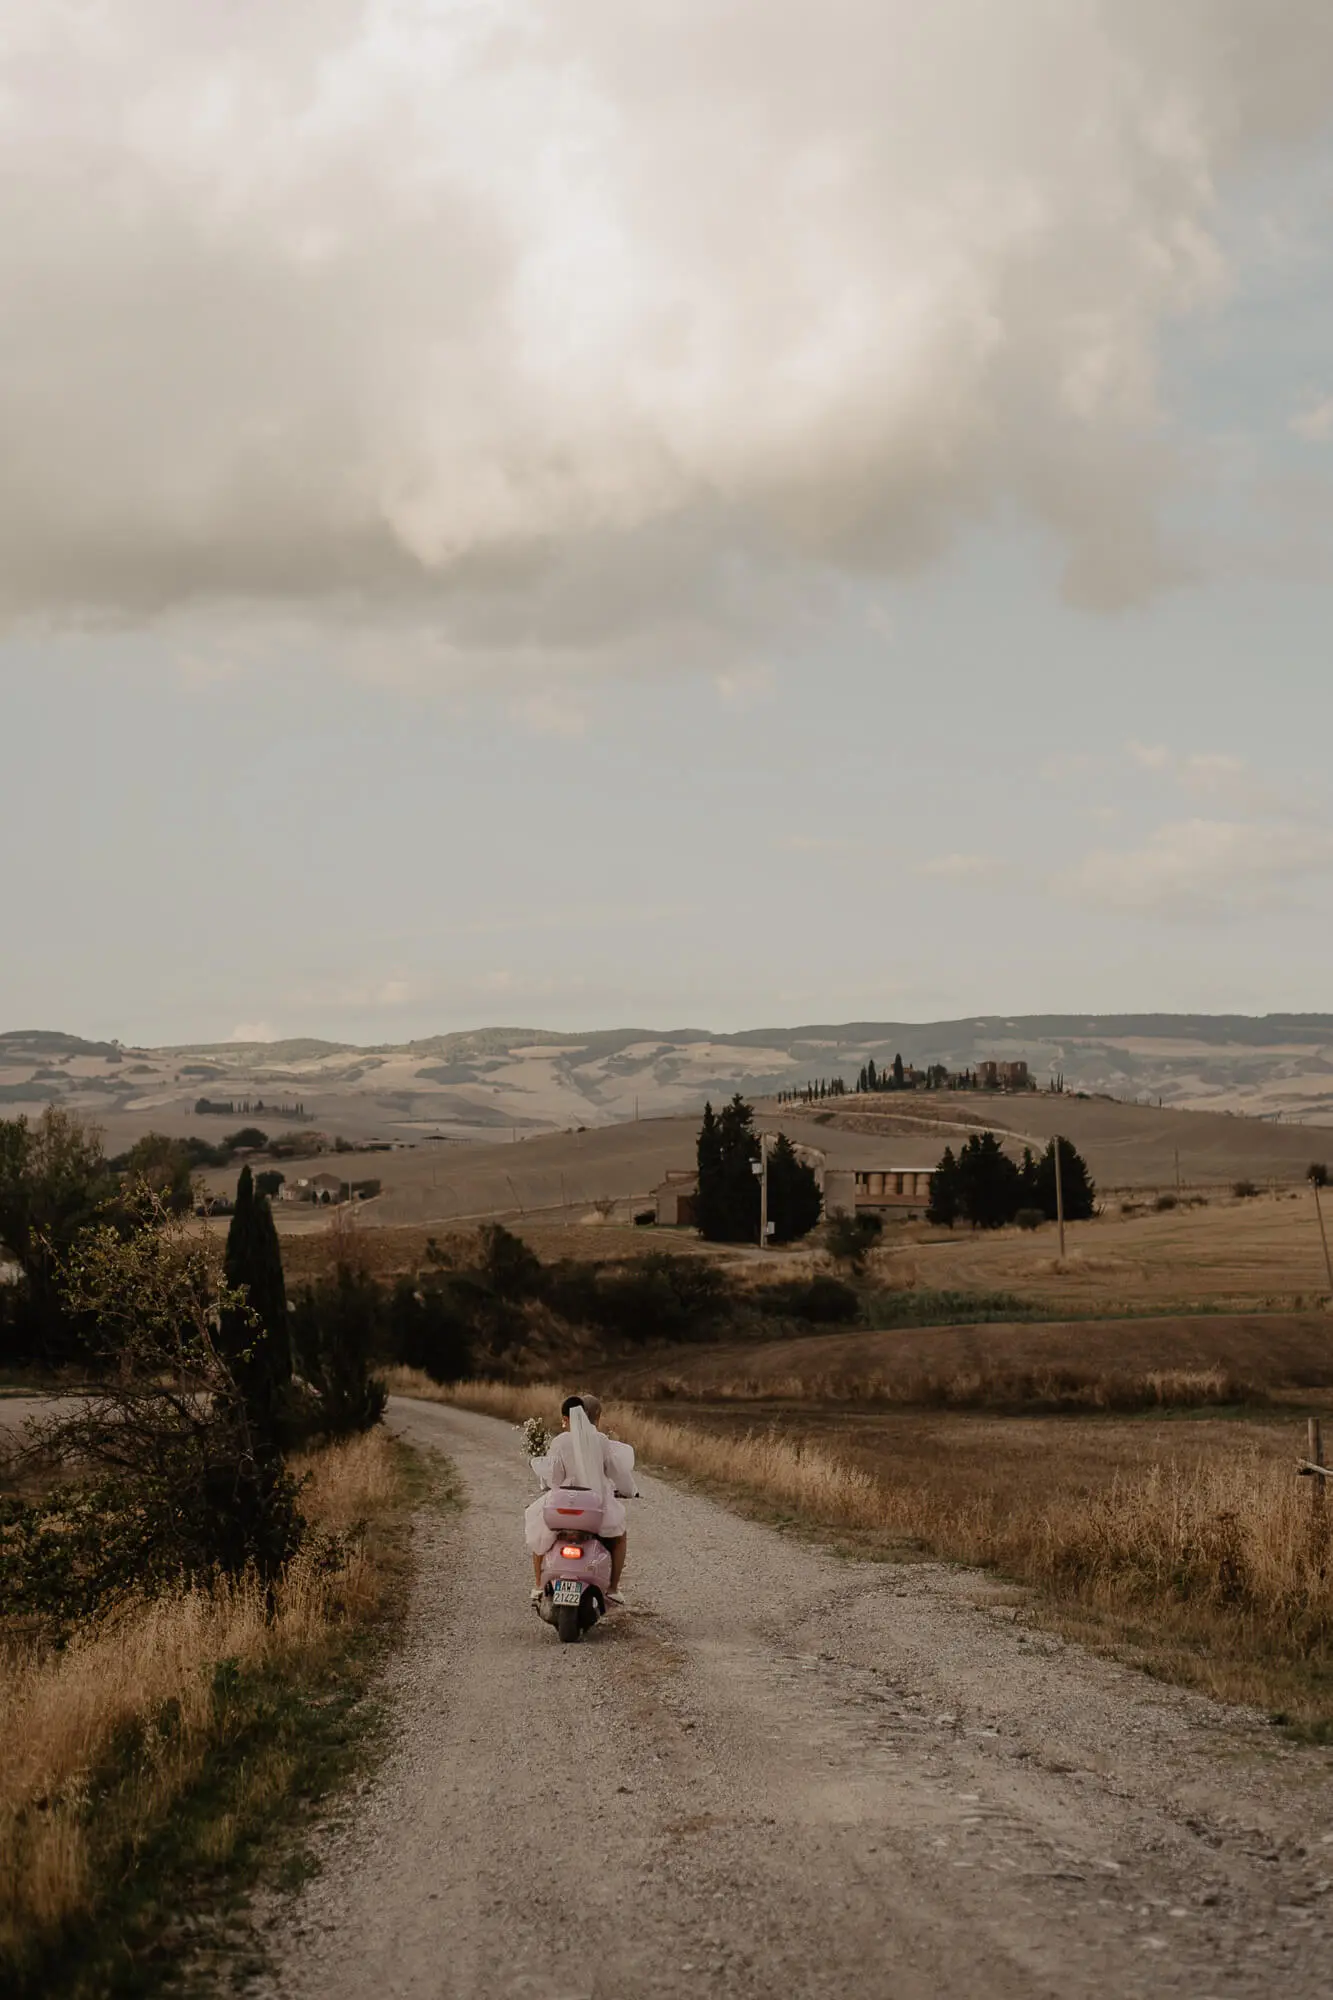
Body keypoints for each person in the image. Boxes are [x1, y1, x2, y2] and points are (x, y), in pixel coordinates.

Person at [526, 1392, 636, 1606]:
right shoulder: (602, 1441)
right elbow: (615, 1471)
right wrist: (628, 1490)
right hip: (594, 1505)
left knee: (537, 1531)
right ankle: (613, 1588)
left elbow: (555, 1477)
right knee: (619, 1536)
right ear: (596, 1417)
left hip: (565, 1503)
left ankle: (539, 1585)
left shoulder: (560, 1441)